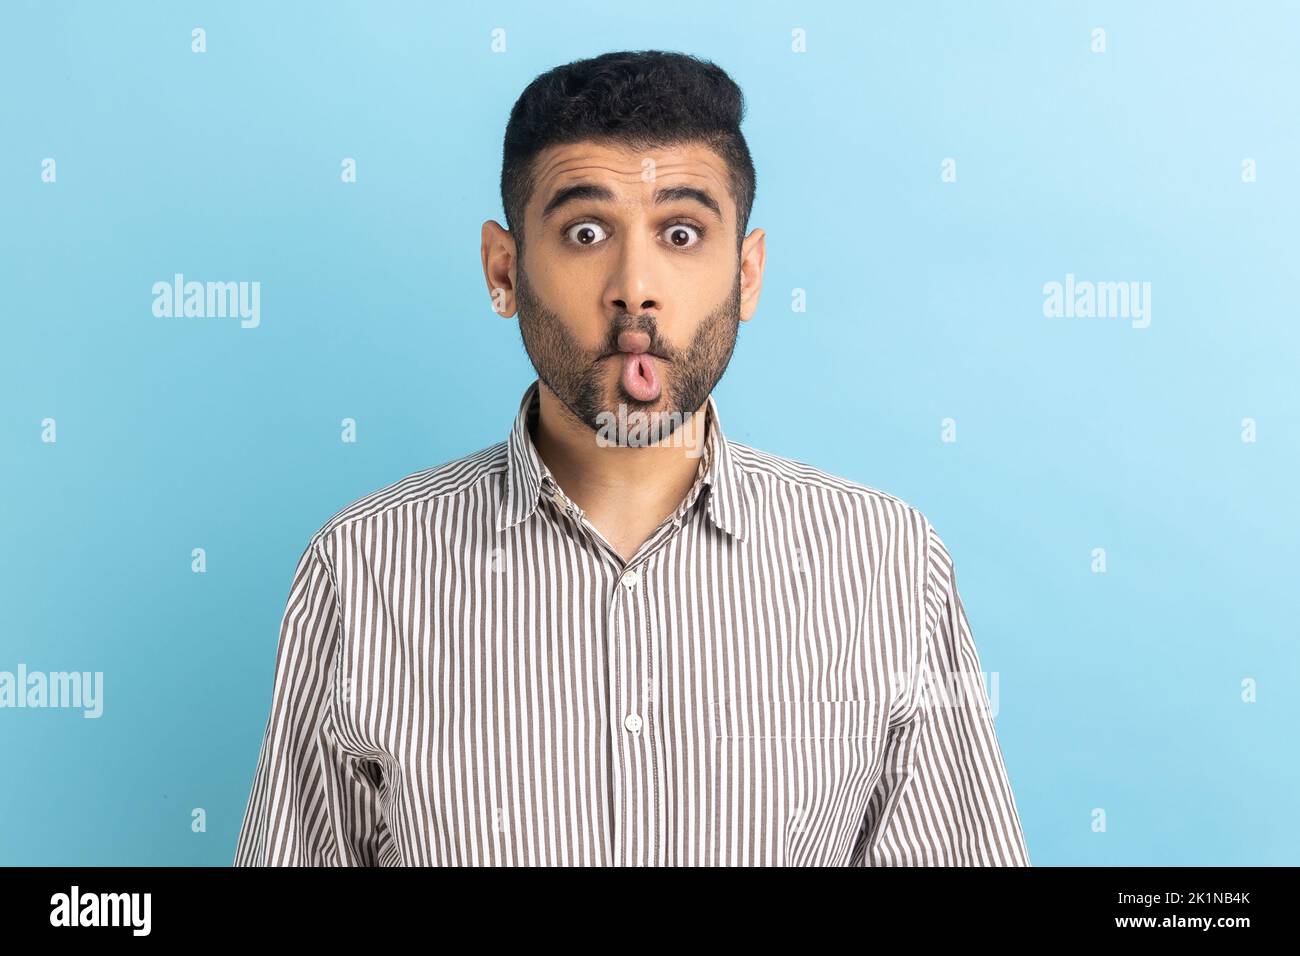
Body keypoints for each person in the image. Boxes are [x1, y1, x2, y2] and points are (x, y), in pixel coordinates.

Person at [233, 49, 1030, 867]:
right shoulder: (362, 565)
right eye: (586, 232)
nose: (634, 287)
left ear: (747, 275)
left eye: (681, 233)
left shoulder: (886, 562)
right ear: (504, 270)